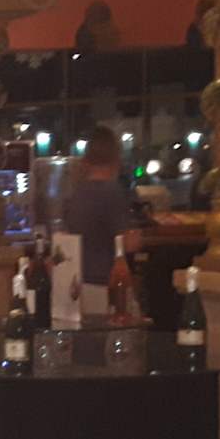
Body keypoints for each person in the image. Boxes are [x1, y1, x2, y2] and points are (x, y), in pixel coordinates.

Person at [62, 125, 141, 315]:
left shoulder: (77, 193)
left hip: (78, 281)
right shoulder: (113, 192)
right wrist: (139, 236)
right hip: (107, 283)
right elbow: (127, 243)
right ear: (116, 158)